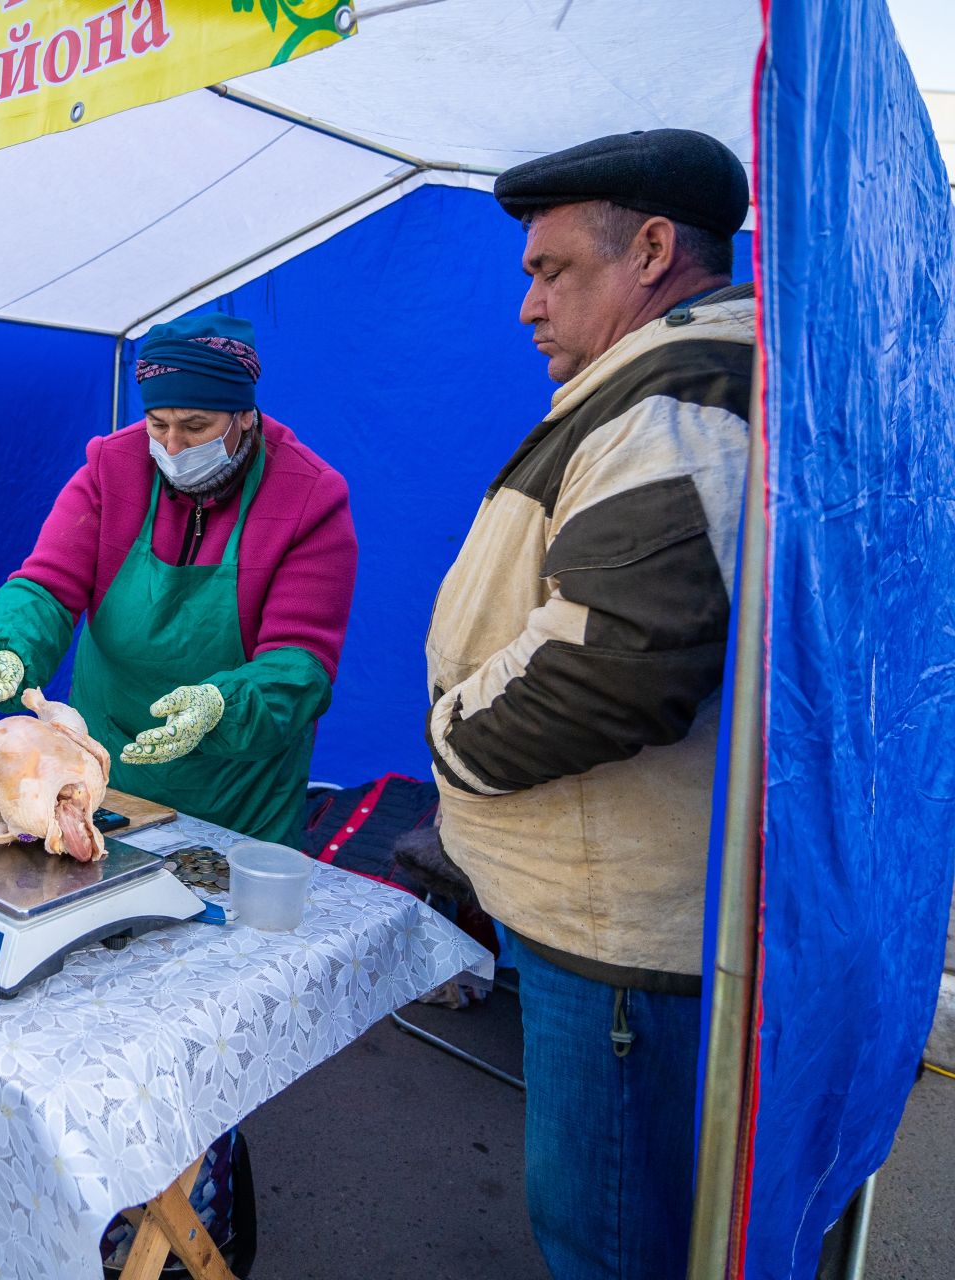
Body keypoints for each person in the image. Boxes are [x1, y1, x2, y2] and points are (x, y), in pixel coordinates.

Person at [422, 128, 754, 1280]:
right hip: (595, 918)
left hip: (619, 942)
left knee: (610, 1237)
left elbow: (614, 659)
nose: (526, 305)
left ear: (654, 248)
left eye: (550, 269)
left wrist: (449, 739)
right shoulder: (649, 382)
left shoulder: (678, 399)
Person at [0, 314, 358, 847]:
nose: (172, 446)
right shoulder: (112, 467)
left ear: (245, 415)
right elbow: (48, 585)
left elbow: (300, 660)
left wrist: (222, 707)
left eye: (195, 427)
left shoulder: (309, 497)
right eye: (157, 423)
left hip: (236, 792)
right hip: (103, 774)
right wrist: (9, 649)